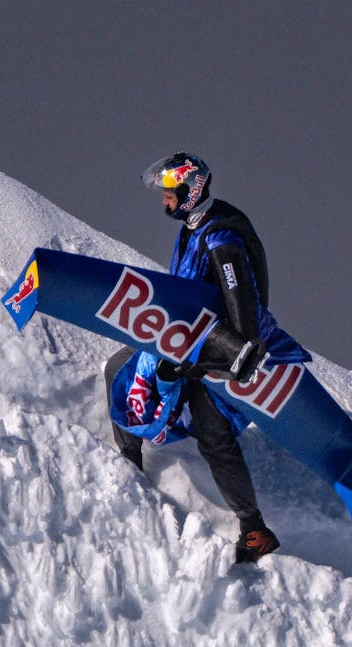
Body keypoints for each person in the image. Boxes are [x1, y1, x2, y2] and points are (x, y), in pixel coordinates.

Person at [103, 152, 306, 564]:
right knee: (118, 369)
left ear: (190, 192)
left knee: (214, 437)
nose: (163, 201)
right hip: (184, 338)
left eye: (169, 193)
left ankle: (255, 531)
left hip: (217, 352)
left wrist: (194, 363)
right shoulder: (195, 225)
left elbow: (243, 327)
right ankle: (129, 463)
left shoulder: (221, 241)